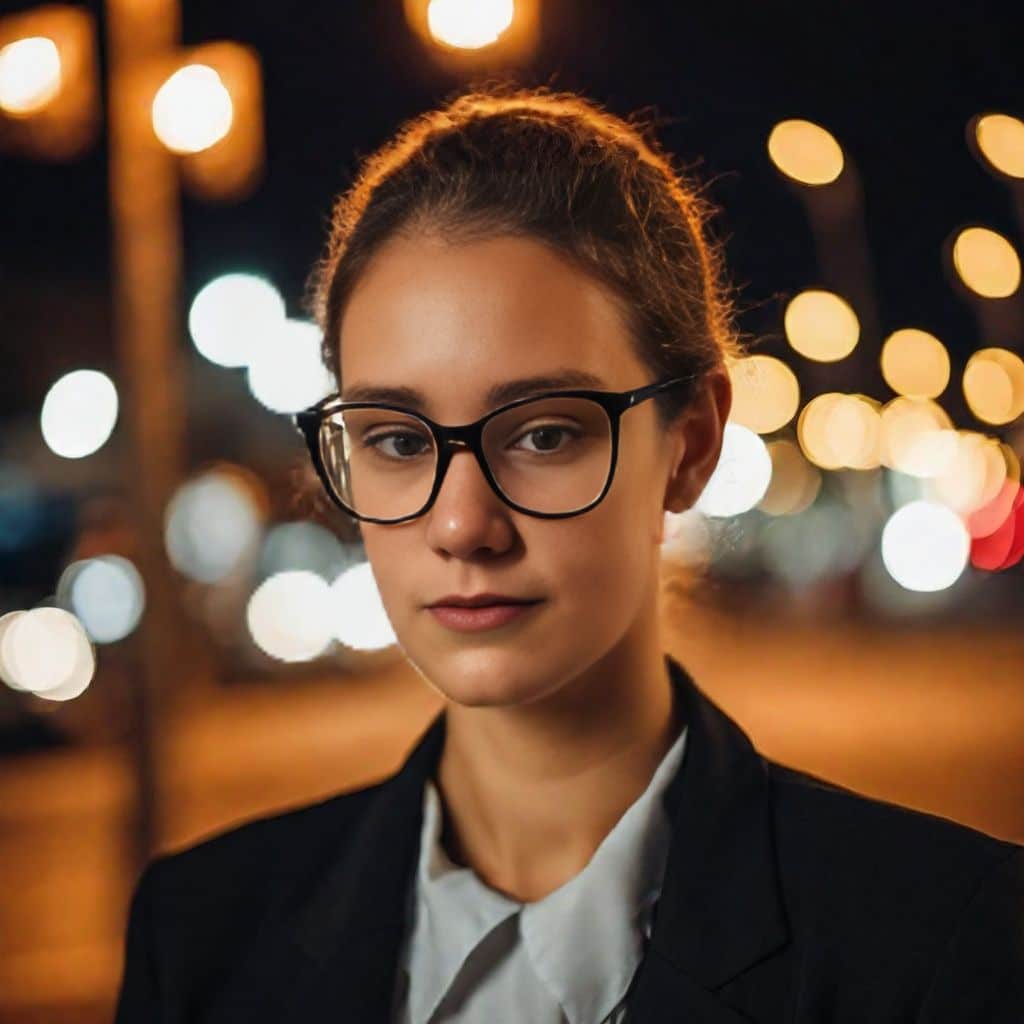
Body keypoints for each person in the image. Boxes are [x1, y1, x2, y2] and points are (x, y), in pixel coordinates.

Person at [113, 81, 1024, 1023]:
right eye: (397, 439)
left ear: (692, 443)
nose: (464, 526)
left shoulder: (941, 944)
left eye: (545, 434)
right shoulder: (201, 939)